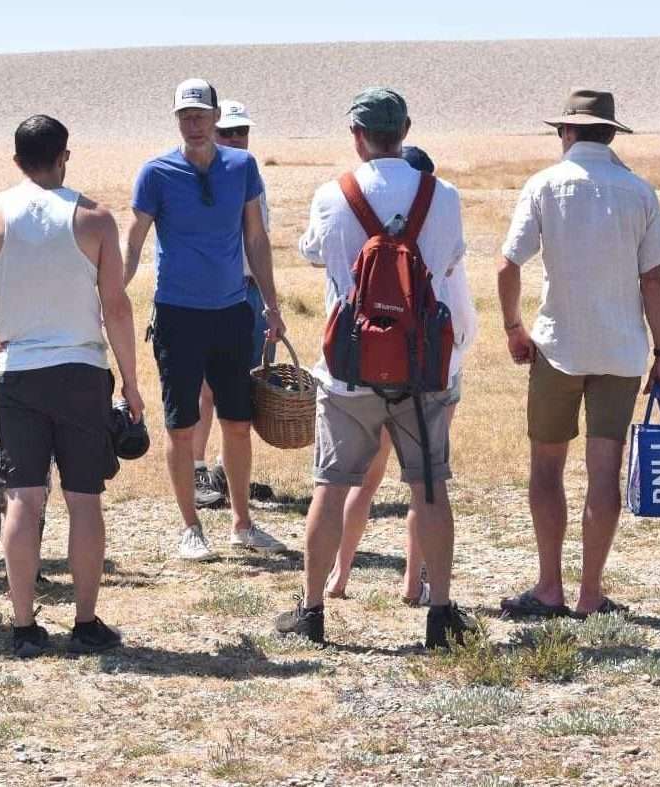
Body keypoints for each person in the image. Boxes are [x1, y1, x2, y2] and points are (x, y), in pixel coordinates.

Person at [0, 115, 143, 657]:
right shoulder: (94, 218)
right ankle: (86, 621)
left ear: (17, 160)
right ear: (64, 155)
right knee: (84, 499)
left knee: (23, 498)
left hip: (17, 371)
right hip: (81, 371)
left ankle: (23, 625)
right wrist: (133, 383)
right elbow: (115, 306)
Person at [276, 87, 474, 648]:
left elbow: (314, 252)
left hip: (348, 370)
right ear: (406, 129)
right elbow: (451, 259)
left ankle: (312, 612)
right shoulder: (444, 195)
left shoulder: (331, 194)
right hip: (421, 370)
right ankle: (440, 613)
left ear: (357, 136)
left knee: (331, 487)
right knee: (428, 489)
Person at [497, 88, 660, 619]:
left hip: (558, 343)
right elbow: (653, 279)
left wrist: (513, 328)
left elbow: (508, 265)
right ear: (611, 133)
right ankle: (590, 593)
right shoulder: (638, 191)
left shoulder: (544, 185)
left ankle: (549, 585)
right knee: (604, 470)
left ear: (566, 133)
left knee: (547, 468)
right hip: (620, 348)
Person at [123, 79, 286, 562]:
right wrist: (110, 289)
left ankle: (242, 523)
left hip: (233, 312)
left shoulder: (243, 166)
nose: (193, 124)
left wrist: (272, 306)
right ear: (177, 120)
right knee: (180, 425)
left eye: (200, 115)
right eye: (184, 117)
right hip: (177, 315)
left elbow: (255, 238)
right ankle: (190, 526)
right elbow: (134, 239)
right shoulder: (155, 172)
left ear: (216, 117)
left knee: (237, 422)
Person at [322, 145, 477, 606]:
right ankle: (415, 584)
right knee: (424, 486)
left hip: (362, 368)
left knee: (357, 483)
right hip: (429, 372)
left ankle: (338, 576)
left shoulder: (347, 204)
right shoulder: (440, 228)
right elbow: (462, 314)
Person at [191, 99, 276, 508]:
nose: (236, 139)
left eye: (241, 131)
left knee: (245, 386)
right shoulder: (197, 177)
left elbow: (260, 243)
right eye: (227, 132)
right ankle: (195, 470)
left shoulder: (251, 176)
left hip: (252, 290)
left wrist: (271, 301)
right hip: (214, 293)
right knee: (206, 388)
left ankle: (227, 473)